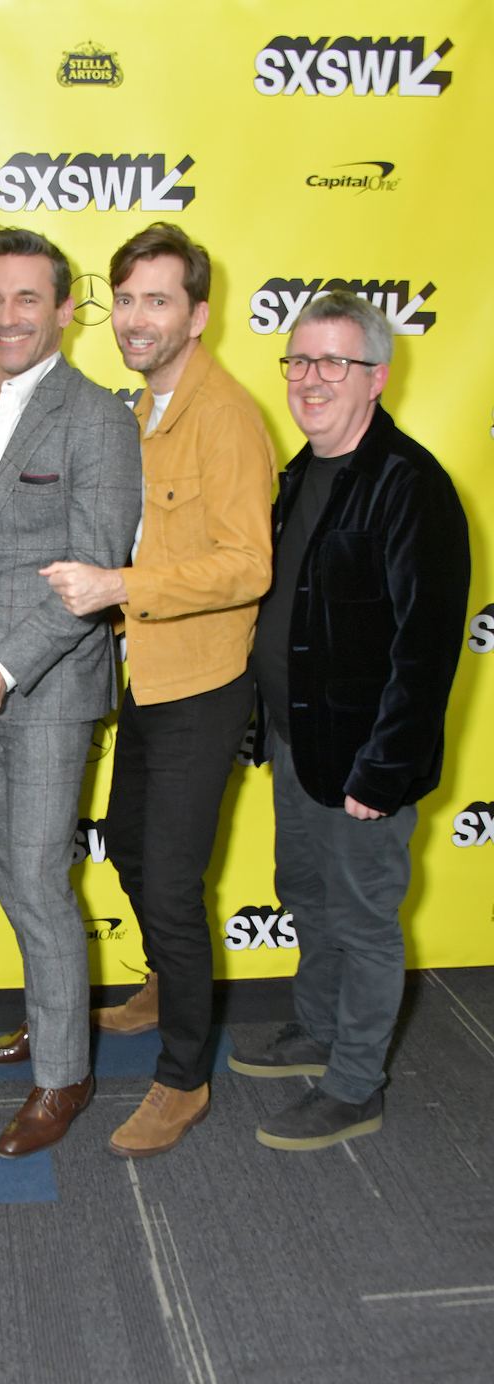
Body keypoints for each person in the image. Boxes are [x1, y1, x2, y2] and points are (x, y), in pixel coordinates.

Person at [42, 222, 275, 1157]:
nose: (137, 319)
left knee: (172, 883)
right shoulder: (141, 407)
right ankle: (166, 988)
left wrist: (119, 586)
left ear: (198, 314)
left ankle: (184, 1079)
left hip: (203, 682)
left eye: (159, 301)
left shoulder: (225, 416)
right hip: (149, 674)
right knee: (132, 850)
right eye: (128, 300)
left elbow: (247, 565)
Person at [0, 227, 142, 1157]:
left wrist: (3, 668)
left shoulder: (98, 419)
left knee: (40, 880)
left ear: (64, 310)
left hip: (45, 688)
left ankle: (63, 1076)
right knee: (12, 875)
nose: (6, 317)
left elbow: (95, 568)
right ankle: (54, 1019)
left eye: (27, 300)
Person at [229, 290, 470, 1149]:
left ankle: (355, 1085)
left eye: (334, 361)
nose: (311, 378)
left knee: (364, 917)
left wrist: (386, 769)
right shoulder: (300, 473)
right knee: (307, 891)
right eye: (299, 360)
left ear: (377, 376)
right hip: (298, 742)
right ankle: (320, 1028)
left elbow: (426, 650)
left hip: (365, 759)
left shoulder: (411, 485)